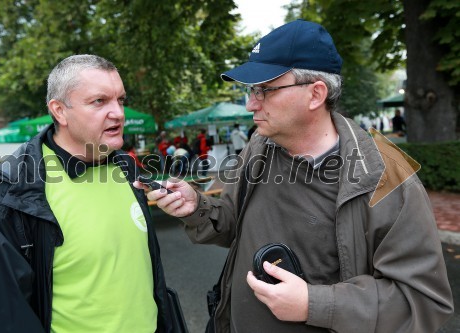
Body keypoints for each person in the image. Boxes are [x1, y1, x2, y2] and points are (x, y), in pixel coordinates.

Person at [136, 20, 453, 333]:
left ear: (315, 94)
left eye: (263, 90)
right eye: (250, 91)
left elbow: (422, 301)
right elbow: (232, 221)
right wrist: (196, 207)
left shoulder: (387, 178)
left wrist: (313, 305)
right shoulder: (259, 147)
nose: (250, 104)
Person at [0, 55, 174, 333]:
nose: (119, 113)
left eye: (120, 100)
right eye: (100, 101)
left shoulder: (125, 166)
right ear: (59, 111)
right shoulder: (11, 189)